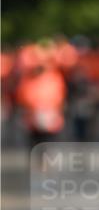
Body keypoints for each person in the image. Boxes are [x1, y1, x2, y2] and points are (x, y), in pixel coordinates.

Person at [14, 39, 67, 167]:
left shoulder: (54, 76)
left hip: (51, 121)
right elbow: (21, 98)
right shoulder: (28, 79)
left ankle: (46, 170)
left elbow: (60, 96)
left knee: (47, 148)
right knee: (35, 148)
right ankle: (38, 169)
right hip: (32, 121)